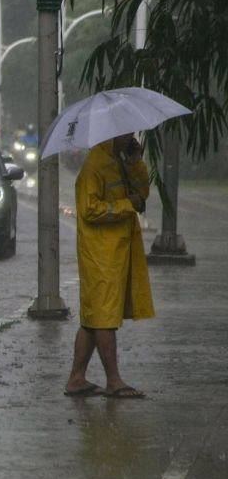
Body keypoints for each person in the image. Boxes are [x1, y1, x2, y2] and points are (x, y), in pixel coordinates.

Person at [64, 133, 154, 399]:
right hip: (100, 253)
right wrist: (128, 205)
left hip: (117, 250)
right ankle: (114, 380)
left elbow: (143, 192)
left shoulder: (120, 160)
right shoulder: (95, 164)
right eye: (127, 131)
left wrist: (136, 161)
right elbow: (89, 209)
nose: (132, 136)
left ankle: (76, 379)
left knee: (94, 319)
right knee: (104, 317)